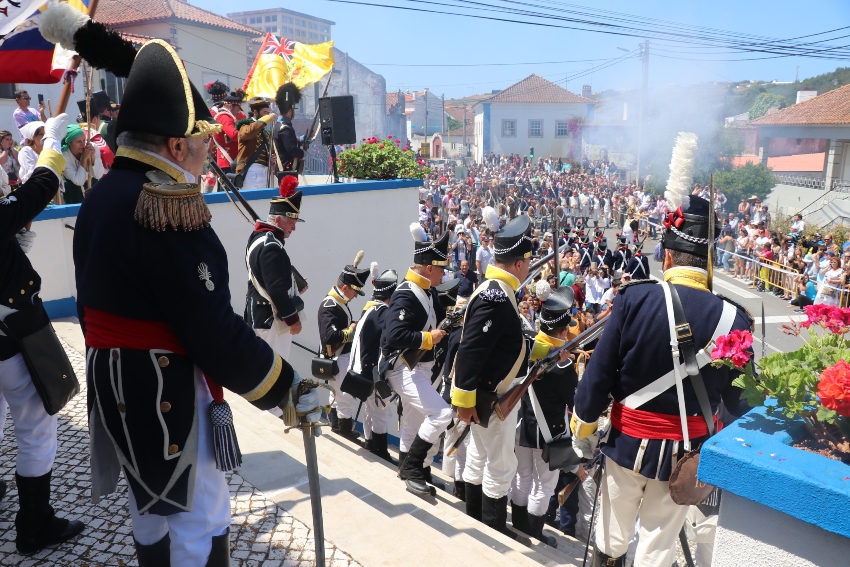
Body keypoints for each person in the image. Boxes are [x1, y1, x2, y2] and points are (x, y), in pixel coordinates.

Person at [44, 9, 323, 562]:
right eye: (199, 142)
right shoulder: (165, 204)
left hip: (118, 382)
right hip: (164, 387)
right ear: (173, 146)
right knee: (201, 521)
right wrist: (285, 386)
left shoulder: (103, 193)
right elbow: (211, 328)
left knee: (150, 513)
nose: (207, 155)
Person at [572, 188, 753, 567]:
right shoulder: (735, 319)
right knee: (657, 549)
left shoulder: (634, 299)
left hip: (625, 443)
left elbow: (599, 374)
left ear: (667, 255)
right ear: (709, 260)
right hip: (686, 454)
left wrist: (584, 426)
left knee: (610, 537)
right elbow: (741, 401)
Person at [0, 111, 88, 555]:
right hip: (11, 339)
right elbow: (38, 190)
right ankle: (34, 525)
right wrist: (51, 145)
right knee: (37, 428)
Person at [453, 210, 560, 539]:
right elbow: (470, 351)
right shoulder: (496, 296)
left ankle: (476, 518)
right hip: (489, 397)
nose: (529, 268)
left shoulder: (498, 292)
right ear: (518, 264)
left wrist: (544, 351)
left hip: (486, 393)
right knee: (501, 467)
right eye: (527, 262)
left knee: (479, 456)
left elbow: (508, 346)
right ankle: (493, 529)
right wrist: (464, 401)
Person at [385, 226, 452, 496]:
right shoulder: (406, 293)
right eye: (440, 269)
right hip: (402, 367)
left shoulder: (428, 291)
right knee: (441, 414)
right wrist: (428, 338)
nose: (443, 274)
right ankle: (413, 468)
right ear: (427, 268)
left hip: (419, 368)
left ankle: (409, 468)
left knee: (413, 423)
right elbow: (394, 334)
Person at [509, 285, 577, 548]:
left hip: (521, 426)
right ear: (561, 332)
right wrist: (567, 365)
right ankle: (534, 533)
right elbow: (574, 400)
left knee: (522, 477)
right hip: (548, 432)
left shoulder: (528, 348)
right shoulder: (563, 366)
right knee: (544, 486)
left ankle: (519, 526)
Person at [245, 184, 306, 363]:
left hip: (262, 316)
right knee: (274, 372)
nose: (293, 228)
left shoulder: (258, 239)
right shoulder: (271, 246)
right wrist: (293, 319)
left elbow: (267, 277)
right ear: (278, 220)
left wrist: (293, 285)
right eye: (292, 222)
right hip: (270, 320)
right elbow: (275, 288)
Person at [318, 252, 370, 439]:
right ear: (345, 287)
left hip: (340, 357)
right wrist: (352, 331)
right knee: (345, 397)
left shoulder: (338, 303)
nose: (356, 296)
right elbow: (329, 336)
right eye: (355, 291)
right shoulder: (330, 305)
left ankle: (337, 428)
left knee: (338, 396)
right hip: (337, 357)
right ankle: (345, 431)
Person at [350, 268, 398, 462]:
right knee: (381, 412)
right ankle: (380, 450)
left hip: (361, 369)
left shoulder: (370, 309)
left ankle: (370, 443)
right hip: (370, 371)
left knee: (371, 410)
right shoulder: (383, 313)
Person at [236, 99, 276, 189]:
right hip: (250, 169)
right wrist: (267, 119)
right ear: (255, 112)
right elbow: (248, 133)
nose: (267, 115)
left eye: (268, 113)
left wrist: (272, 158)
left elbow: (270, 151)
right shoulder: (245, 126)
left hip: (265, 170)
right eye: (264, 112)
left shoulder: (266, 132)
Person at [61, 124, 105, 204]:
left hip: (92, 187)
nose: (82, 144)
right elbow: (79, 181)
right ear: (69, 143)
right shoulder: (64, 156)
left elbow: (98, 175)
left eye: (84, 140)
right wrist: (84, 159)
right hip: (73, 192)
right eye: (78, 141)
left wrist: (92, 158)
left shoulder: (92, 147)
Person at [208, 82, 245, 172]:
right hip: (226, 158)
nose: (238, 111)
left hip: (226, 156)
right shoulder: (225, 116)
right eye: (237, 109)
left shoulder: (211, 112)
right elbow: (233, 135)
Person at [273, 83, 305, 177]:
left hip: (284, 169)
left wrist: (302, 139)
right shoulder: (285, 128)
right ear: (290, 110)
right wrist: (302, 153)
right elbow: (291, 149)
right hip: (286, 169)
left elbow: (289, 141)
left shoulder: (280, 125)